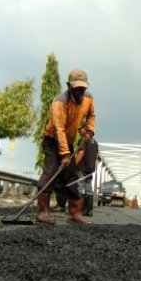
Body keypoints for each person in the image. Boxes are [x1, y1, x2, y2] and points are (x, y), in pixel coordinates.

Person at [36, 68, 96, 224]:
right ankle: (42, 212)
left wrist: (89, 131)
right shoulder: (60, 102)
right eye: (77, 89)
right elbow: (58, 129)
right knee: (50, 172)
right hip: (52, 140)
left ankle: (74, 214)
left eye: (83, 88)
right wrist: (64, 154)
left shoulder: (89, 98)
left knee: (72, 177)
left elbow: (91, 116)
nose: (80, 92)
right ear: (69, 86)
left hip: (68, 142)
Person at [75, 122, 98, 217]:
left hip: (82, 168)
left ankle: (78, 210)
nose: (79, 131)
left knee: (79, 187)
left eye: (80, 129)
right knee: (89, 189)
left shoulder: (83, 140)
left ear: (85, 129)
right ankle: (89, 211)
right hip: (90, 169)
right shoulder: (95, 142)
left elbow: (81, 153)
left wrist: (74, 165)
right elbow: (96, 156)